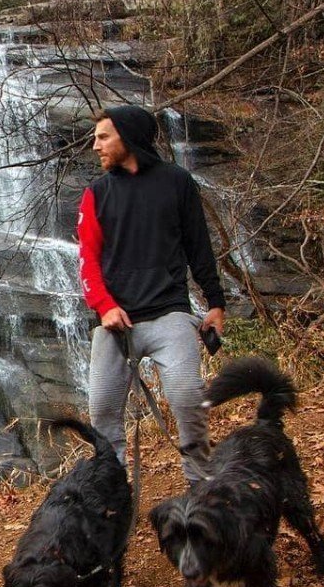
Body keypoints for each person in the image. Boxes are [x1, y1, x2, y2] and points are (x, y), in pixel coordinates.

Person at [76, 104, 226, 484]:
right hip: (115, 323)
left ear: (128, 137)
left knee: (188, 397)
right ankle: (112, 494)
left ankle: (200, 486)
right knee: (103, 413)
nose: (95, 145)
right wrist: (105, 306)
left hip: (169, 314)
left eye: (103, 136)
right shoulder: (96, 193)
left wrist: (216, 303)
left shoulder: (177, 182)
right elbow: (87, 261)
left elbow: (199, 247)